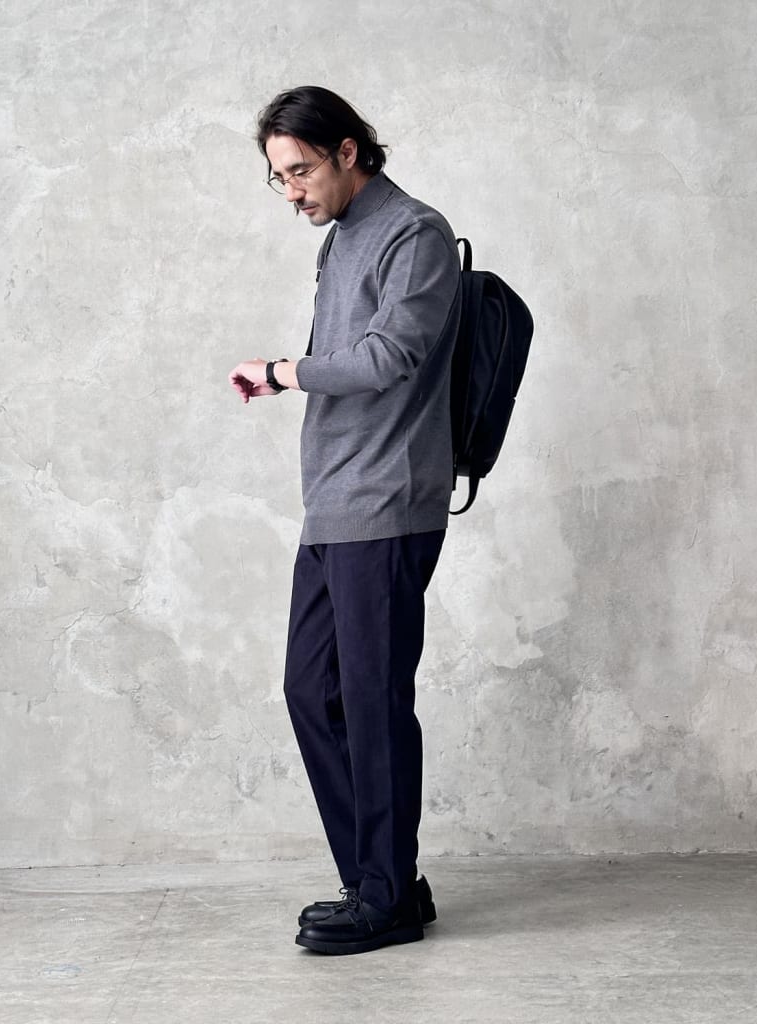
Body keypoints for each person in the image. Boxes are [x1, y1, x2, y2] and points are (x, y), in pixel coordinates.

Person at [228, 86, 461, 956]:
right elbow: (346, 361)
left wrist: (284, 370)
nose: (291, 191)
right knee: (312, 691)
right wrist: (294, 374)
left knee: (372, 701)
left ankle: (385, 897)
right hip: (333, 500)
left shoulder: (414, 234)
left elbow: (390, 356)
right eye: (279, 177)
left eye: (300, 171)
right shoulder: (341, 239)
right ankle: (379, 880)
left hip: (388, 500)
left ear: (348, 152)